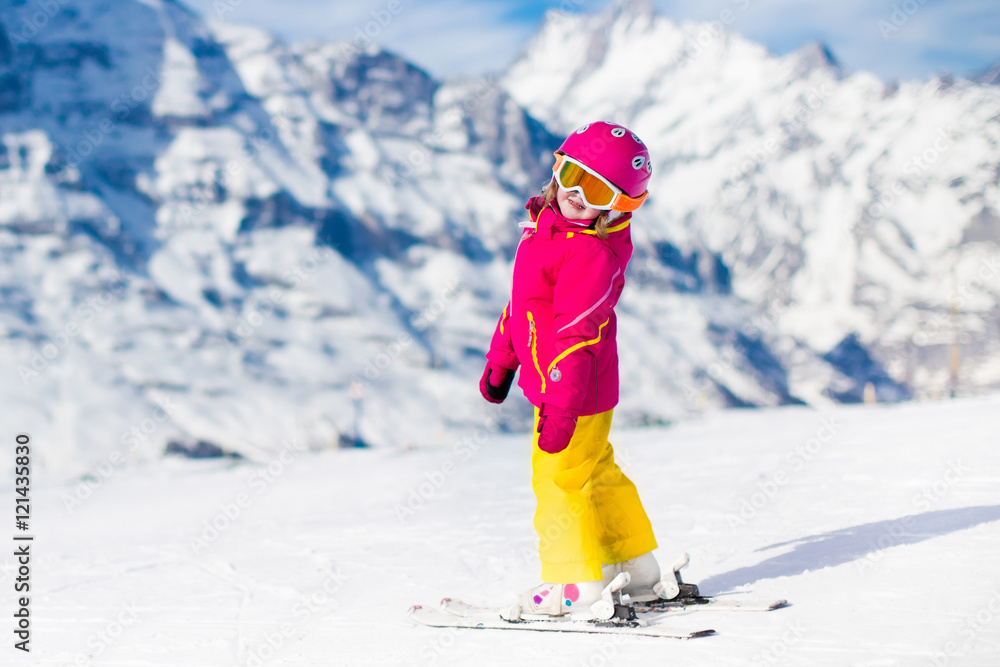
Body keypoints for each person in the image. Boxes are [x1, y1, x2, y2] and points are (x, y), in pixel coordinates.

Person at [480, 121, 671, 621]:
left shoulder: (587, 252)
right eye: (571, 177)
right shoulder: (547, 232)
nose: (578, 198)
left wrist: (561, 406)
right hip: (576, 392)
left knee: (557, 481)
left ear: (619, 206)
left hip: (572, 393)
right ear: (556, 170)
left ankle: (575, 583)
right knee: (596, 472)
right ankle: (637, 566)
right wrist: (503, 358)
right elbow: (523, 305)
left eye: (598, 192)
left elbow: (577, 336)